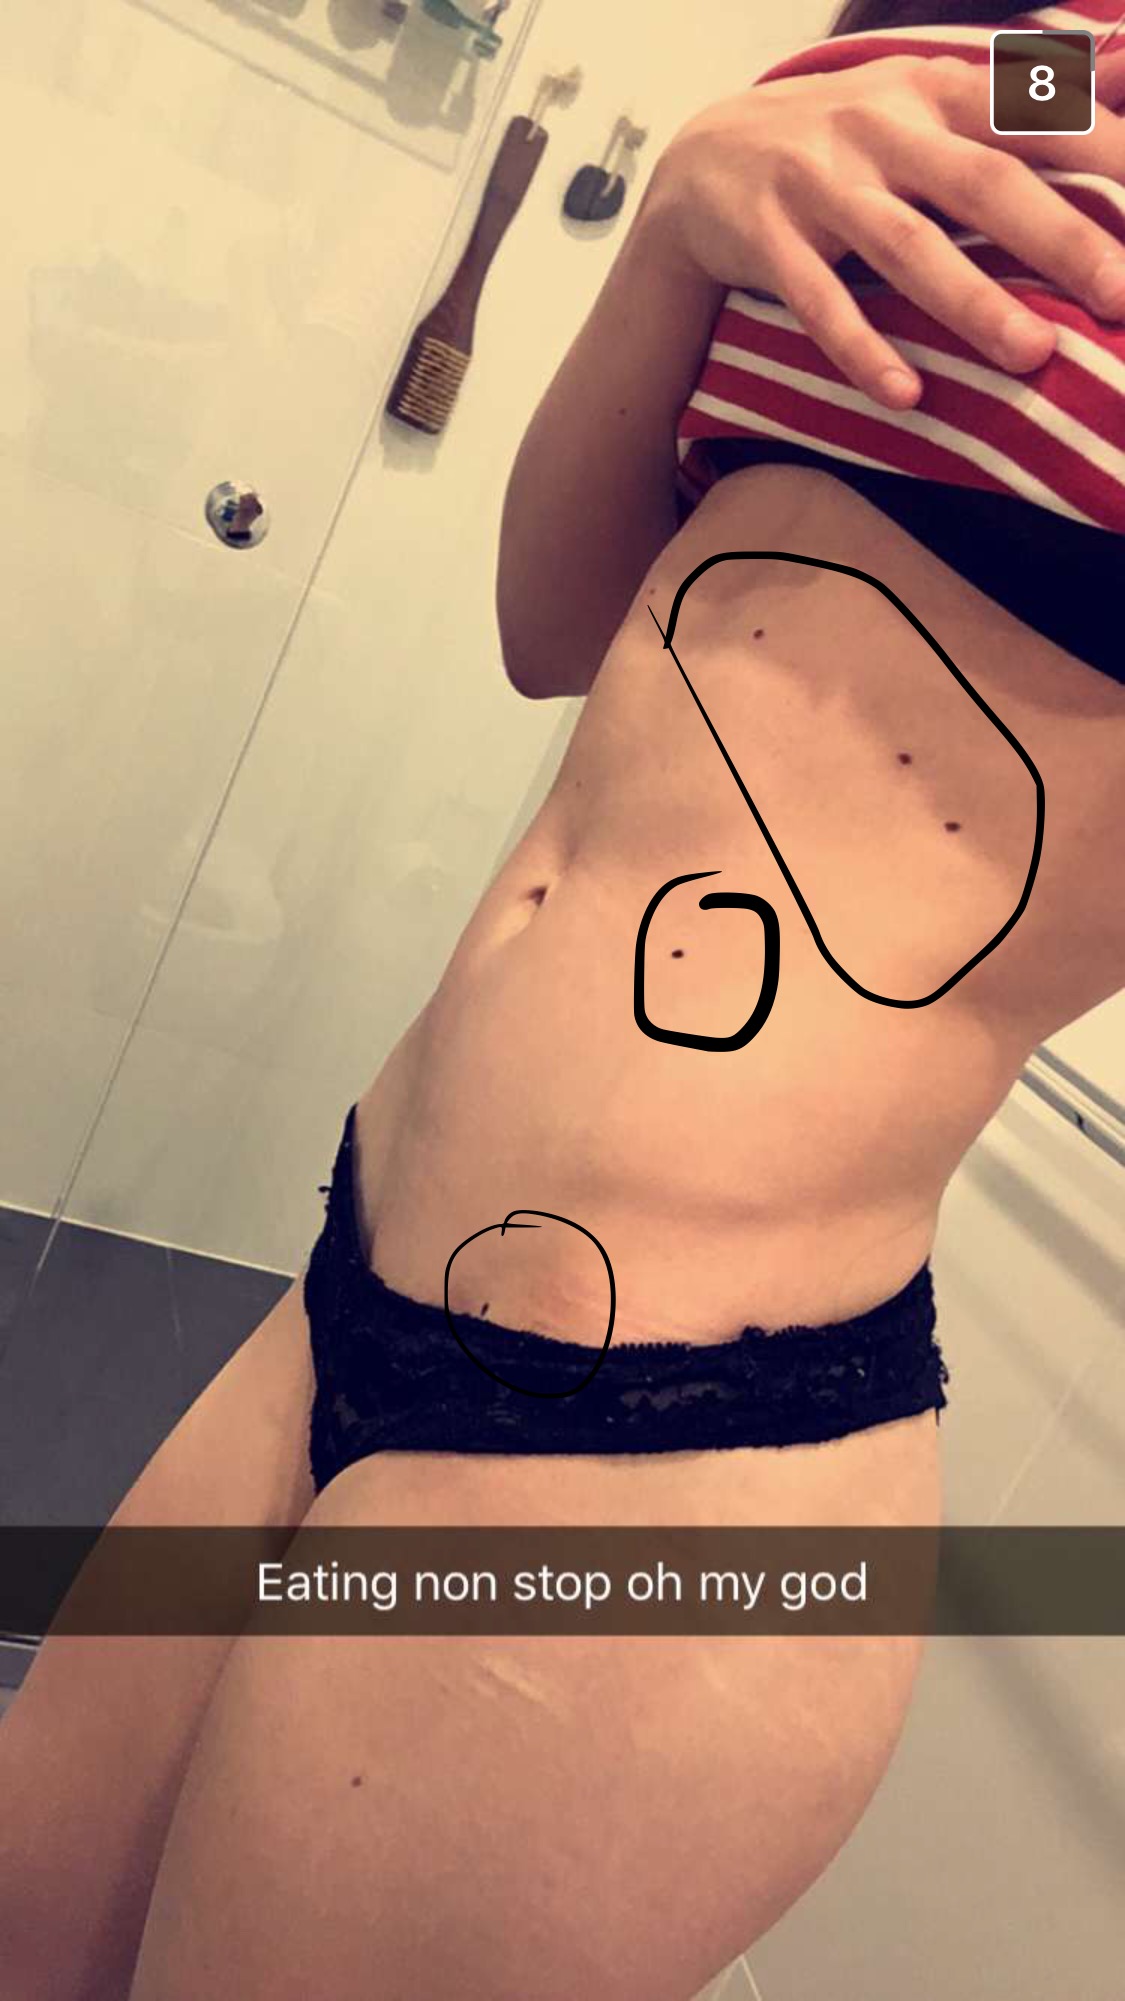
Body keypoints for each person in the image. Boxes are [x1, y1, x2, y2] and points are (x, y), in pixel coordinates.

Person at [3, 3, 1124, 1997]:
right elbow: (557, 624)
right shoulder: (1003, 59)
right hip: (362, 1264)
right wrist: (676, 218)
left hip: (672, 1437)